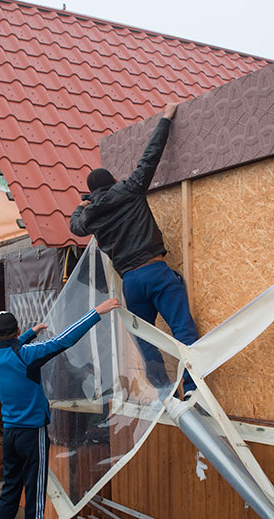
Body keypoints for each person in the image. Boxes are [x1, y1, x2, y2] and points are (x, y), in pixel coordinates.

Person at [69, 103, 199, 394]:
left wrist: (83, 205)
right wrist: (166, 118)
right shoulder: (130, 188)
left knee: (145, 338)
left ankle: (164, 390)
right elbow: (151, 155)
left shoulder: (90, 215)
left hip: (131, 283)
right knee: (183, 330)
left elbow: (74, 226)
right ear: (114, 181)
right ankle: (191, 389)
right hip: (155, 272)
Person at [0, 298, 121, 519]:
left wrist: (30, 333)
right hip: (31, 433)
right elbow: (62, 342)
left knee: (10, 490)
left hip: (10, 434)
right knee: (35, 494)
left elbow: (10, 346)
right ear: (16, 329)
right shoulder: (26, 356)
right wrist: (96, 313)